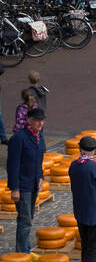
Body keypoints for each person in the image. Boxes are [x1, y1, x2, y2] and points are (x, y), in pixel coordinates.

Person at [7, 104, 45, 253]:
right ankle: (22, 252)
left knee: (29, 217)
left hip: (34, 183)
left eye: (42, 120)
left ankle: (25, 247)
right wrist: (14, 188)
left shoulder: (39, 136)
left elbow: (39, 158)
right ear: (29, 120)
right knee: (25, 219)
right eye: (37, 120)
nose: (40, 123)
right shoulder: (18, 138)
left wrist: (40, 176)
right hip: (22, 185)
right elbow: (13, 165)